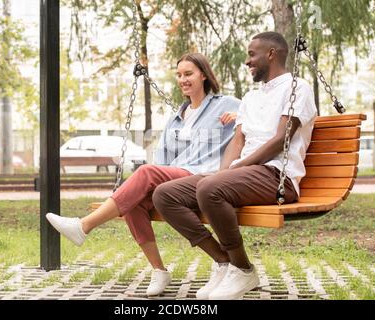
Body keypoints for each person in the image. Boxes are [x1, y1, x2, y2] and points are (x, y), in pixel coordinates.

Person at [45, 52, 240, 296]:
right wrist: (154, 180)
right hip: (178, 180)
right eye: (179, 75)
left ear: (203, 74)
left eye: (188, 74)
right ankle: (159, 270)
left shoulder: (226, 104)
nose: (183, 79)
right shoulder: (176, 118)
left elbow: (262, 121)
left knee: (146, 172)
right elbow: (163, 157)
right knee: (134, 202)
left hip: (206, 177)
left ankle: (84, 226)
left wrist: (242, 117)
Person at [152, 32, 317, 300]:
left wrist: (229, 174)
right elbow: (237, 142)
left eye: (252, 54)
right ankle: (224, 261)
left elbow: (280, 140)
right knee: (165, 194)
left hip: (277, 176)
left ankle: (242, 268)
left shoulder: (297, 88)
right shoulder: (251, 97)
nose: (247, 61)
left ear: (272, 54)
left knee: (210, 187)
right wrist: (224, 172)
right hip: (245, 174)